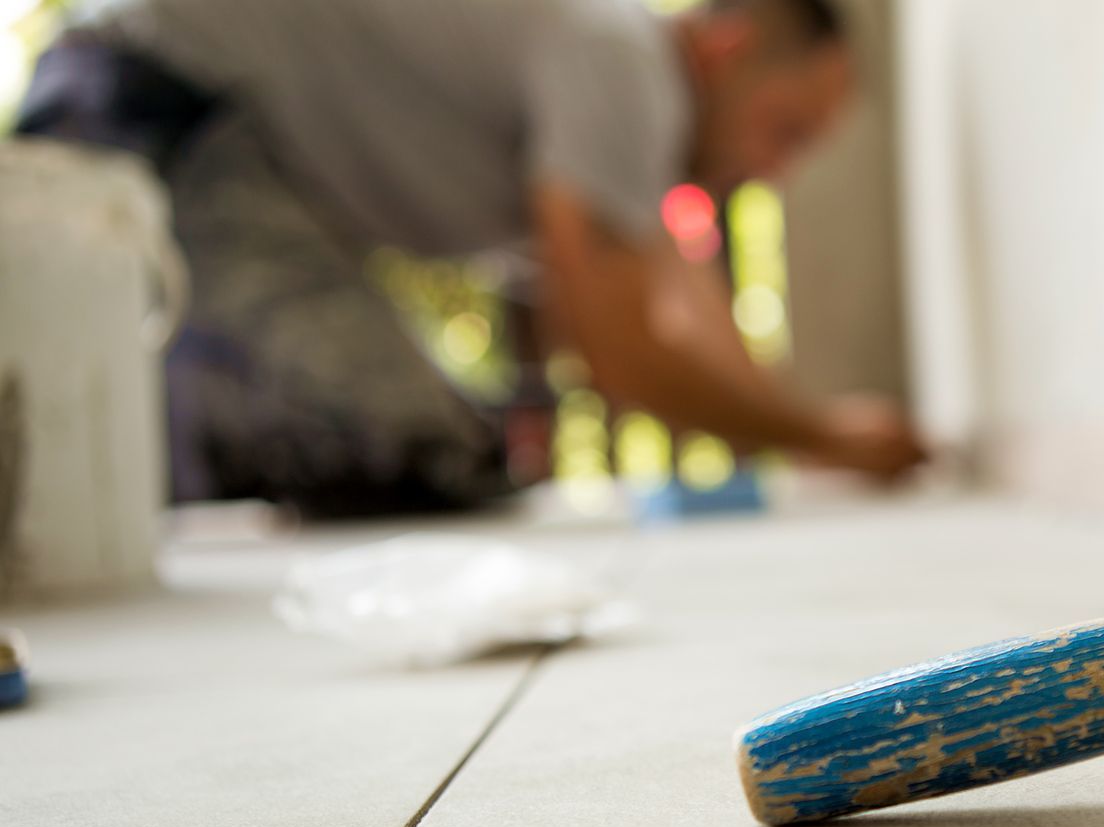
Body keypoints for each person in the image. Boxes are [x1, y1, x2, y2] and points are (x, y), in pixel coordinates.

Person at [13, 0, 927, 516]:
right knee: (411, 450)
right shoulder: (626, 62)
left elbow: (687, 312)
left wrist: (818, 431)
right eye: (787, 131)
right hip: (147, 110)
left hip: (197, 129)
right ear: (725, 51)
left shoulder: (624, 118)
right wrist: (830, 439)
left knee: (417, 449)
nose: (773, 170)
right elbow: (620, 356)